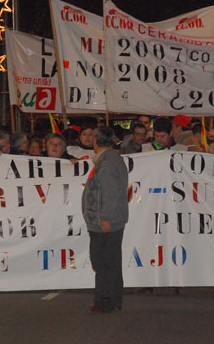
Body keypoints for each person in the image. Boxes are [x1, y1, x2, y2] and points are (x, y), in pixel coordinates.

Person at [82, 126, 129, 314]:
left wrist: (105, 218)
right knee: (110, 261)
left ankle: (105, 300)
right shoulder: (110, 159)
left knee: (103, 262)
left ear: (95, 140)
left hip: (105, 222)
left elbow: (109, 193)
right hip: (109, 220)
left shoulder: (107, 163)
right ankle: (112, 299)